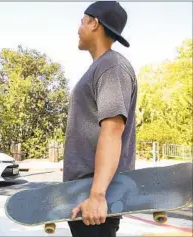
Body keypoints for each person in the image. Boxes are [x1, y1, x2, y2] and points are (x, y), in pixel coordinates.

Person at [63, 1, 137, 237]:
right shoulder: (100, 67)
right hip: (83, 191)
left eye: (82, 21)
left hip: (95, 196)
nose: (78, 28)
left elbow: (112, 130)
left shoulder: (111, 67)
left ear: (94, 23)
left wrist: (97, 195)